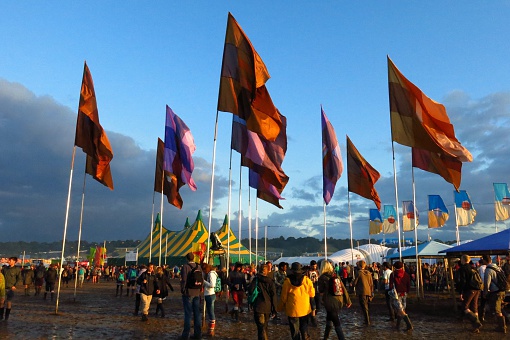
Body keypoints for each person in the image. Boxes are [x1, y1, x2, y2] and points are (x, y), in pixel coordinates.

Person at [277, 262, 315, 340]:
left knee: (294, 331)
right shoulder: (306, 280)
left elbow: (283, 297)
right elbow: (312, 294)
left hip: (292, 309)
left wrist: (279, 308)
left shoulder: (287, 281)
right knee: (304, 328)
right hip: (305, 308)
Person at [318, 260, 351, 339]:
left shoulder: (322, 277)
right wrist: (348, 300)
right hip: (339, 299)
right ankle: (325, 337)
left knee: (336, 321)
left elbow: (321, 290)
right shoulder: (335, 275)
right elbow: (343, 288)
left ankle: (341, 338)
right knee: (329, 317)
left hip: (329, 301)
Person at [248, 263, 277, 340]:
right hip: (268, 307)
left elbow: (250, 291)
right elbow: (273, 296)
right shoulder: (270, 282)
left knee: (261, 328)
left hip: (258, 306)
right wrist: (274, 309)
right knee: (265, 326)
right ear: (267, 271)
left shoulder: (256, 279)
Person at [180, 252, 203, 340]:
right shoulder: (199, 267)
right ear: (193, 258)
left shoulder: (185, 267)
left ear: (187, 259)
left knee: (188, 314)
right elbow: (202, 279)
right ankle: (198, 334)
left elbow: (184, 280)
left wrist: (183, 290)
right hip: (197, 292)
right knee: (197, 314)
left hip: (188, 292)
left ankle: (186, 334)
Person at [457, 255, 483, 332]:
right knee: (474, 307)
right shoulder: (473, 268)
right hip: (477, 289)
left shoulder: (463, 269)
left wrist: (460, 292)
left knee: (465, 307)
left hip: (469, 289)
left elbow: (463, 281)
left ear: (463, 260)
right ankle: (476, 328)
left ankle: (476, 322)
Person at [482, 254, 507, 333]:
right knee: (499, 308)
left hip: (496, 292)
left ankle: (502, 327)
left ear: (484, 260)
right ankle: (503, 325)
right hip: (502, 290)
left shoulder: (488, 270)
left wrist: (485, 293)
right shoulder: (498, 268)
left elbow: (487, 283)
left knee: (497, 310)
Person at [389, 261, 413, 333]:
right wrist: (407, 291)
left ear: (395, 267)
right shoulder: (406, 274)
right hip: (404, 293)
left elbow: (391, 285)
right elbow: (408, 284)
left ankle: (409, 325)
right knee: (402, 309)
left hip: (396, 294)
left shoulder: (392, 274)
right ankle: (397, 325)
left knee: (400, 310)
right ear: (402, 266)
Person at [352, 260, 374, 326]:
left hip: (362, 291)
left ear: (359, 265)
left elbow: (355, 282)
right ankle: (367, 319)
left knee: (364, 306)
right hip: (369, 292)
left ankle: (367, 321)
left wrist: (352, 284)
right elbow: (371, 283)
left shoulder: (359, 273)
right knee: (367, 306)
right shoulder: (369, 273)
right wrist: (372, 292)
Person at [202, 263, 218, 336]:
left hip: (210, 294)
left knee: (211, 312)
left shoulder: (211, 274)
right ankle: (210, 330)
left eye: (204, 270)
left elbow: (212, 285)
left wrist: (204, 282)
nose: (204, 271)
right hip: (208, 294)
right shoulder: (210, 274)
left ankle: (211, 330)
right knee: (210, 312)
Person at [307, 260, 320, 327]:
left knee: (318, 306)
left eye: (315, 266)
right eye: (313, 266)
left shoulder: (317, 271)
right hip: (311, 290)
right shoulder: (308, 272)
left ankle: (312, 315)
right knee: (313, 305)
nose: (314, 267)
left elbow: (319, 278)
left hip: (317, 290)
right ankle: (313, 319)